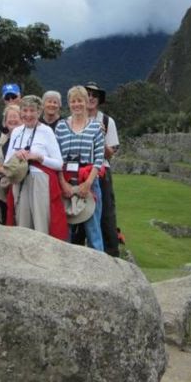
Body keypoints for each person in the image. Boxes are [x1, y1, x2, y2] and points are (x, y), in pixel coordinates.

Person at [5, 96, 66, 239]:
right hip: (20, 180)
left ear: (39, 112)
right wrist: (16, 154)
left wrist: (39, 157)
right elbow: (7, 161)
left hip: (40, 181)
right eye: (25, 110)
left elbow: (59, 163)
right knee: (21, 223)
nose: (28, 115)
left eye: (32, 110)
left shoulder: (46, 132)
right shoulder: (16, 132)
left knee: (41, 224)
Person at [55, 86, 105, 252]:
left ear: (86, 102)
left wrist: (88, 184)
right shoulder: (61, 127)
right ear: (69, 103)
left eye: (80, 100)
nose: (77, 104)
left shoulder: (96, 127)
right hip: (66, 181)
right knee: (64, 229)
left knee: (93, 229)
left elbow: (99, 157)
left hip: (89, 180)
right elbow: (56, 157)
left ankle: (100, 269)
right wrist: (63, 183)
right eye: (73, 101)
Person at [84, 81, 121, 257]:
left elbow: (110, 153)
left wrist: (101, 137)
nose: (90, 98)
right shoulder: (73, 119)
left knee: (105, 213)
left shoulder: (106, 121)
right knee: (77, 211)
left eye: (94, 95)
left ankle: (111, 254)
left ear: (99, 100)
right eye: (87, 94)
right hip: (80, 170)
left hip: (101, 171)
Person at [0, 104, 22, 221]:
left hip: (20, 187)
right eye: (9, 117)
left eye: (16, 116)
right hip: (4, 188)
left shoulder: (26, 138)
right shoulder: (2, 140)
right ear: (4, 122)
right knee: (5, 219)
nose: (12, 120)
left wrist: (2, 169)